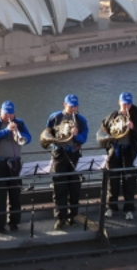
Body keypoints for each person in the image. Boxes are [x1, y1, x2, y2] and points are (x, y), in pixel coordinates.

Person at [43, 94, 88, 230]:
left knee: (74, 187)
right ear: (64, 105)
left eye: (75, 106)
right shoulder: (55, 117)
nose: (73, 108)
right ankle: (60, 217)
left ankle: (72, 216)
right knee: (59, 187)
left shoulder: (80, 120)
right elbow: (48, 133)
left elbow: (84, 137)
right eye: (71, 106)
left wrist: (76, 135)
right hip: (59, 154)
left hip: (73, 153)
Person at [0, 100, 31, 234]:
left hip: (15, 164)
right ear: (1, 111)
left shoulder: (20, 123)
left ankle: (14, 222)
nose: (9, 117)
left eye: (11, 114)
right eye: (6, 114)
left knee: (15, 196)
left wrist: (20, 133)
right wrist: (7, 130)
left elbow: (28, 137)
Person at [101, 93, 137, 220]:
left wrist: (133, 128)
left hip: (129, 152)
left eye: (128, 104)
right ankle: (111, 208)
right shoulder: (112, 116)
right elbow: (104, 132)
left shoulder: (136, 118)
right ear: (119, 102)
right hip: (115, 152)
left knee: (129, 182)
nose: (126, 106)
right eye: (124, 103)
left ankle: (129, 210)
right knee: (112, 182)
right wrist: (109, 142)